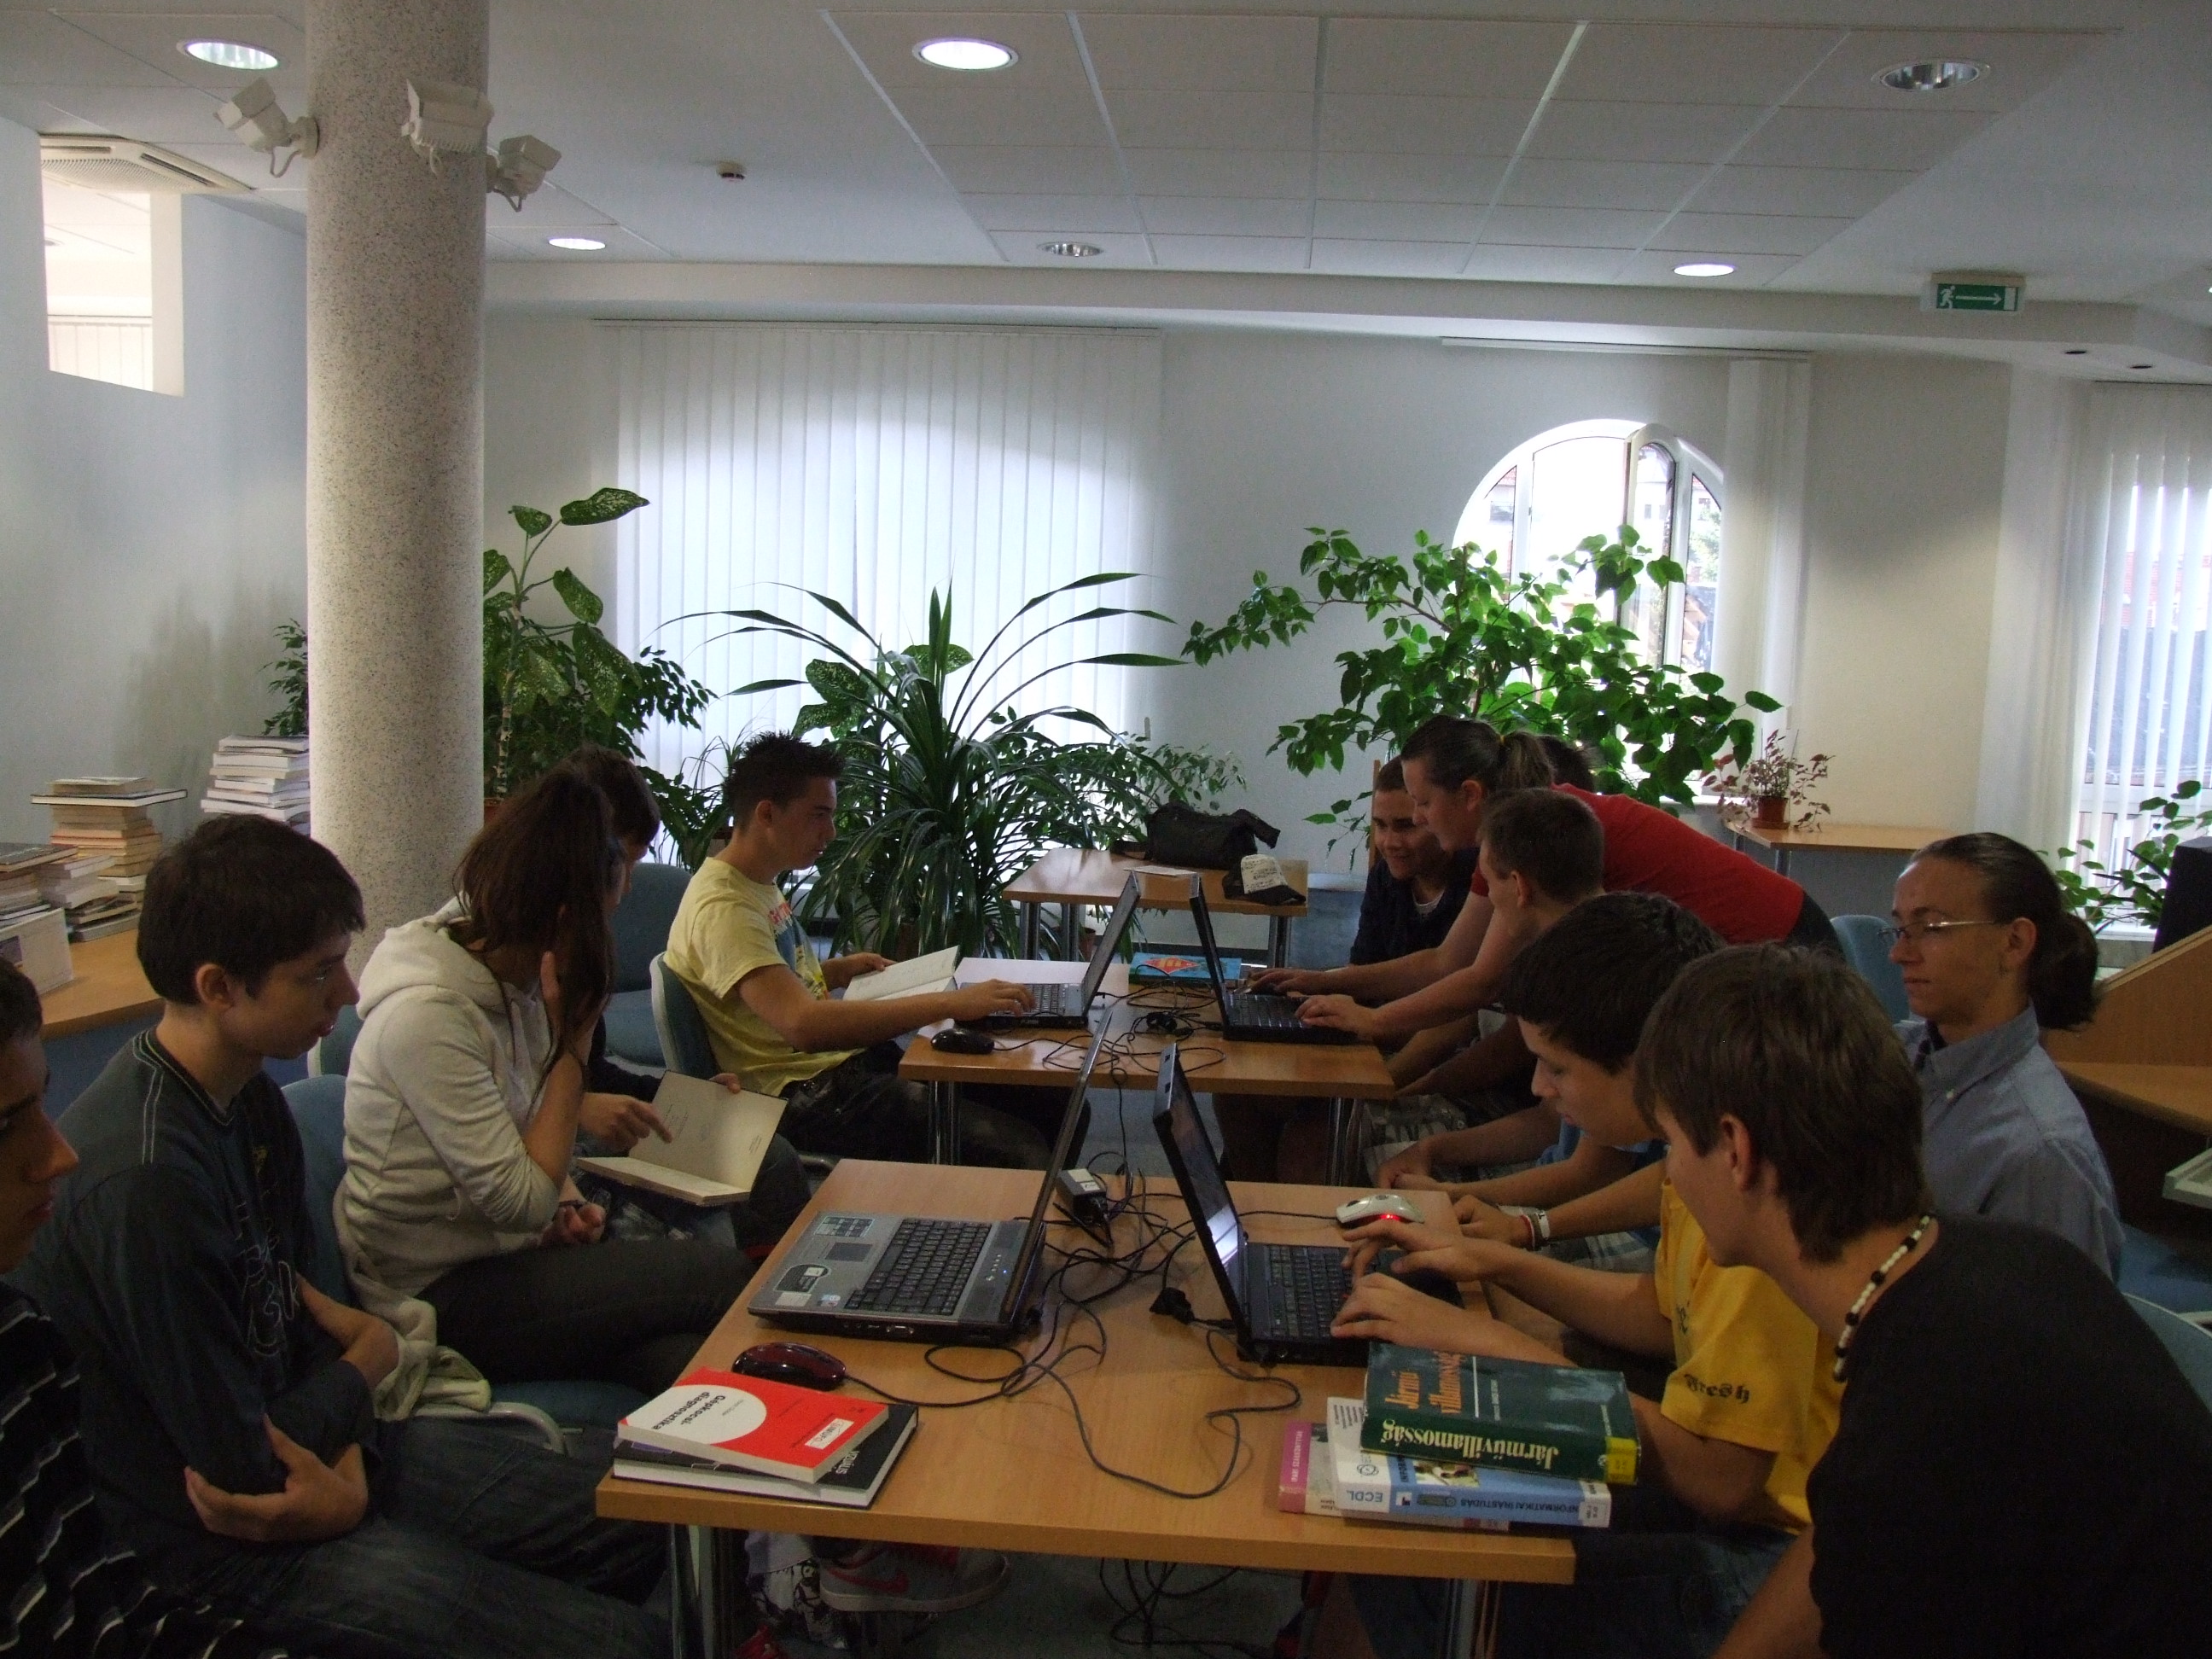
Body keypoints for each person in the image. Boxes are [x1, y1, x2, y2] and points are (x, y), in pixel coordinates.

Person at [9, 818, 678, 1659]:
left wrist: (354, 1436)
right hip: (227, 1546)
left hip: (337, 1449)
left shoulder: (249, 1103)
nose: (350, 992)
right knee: (625, 1644)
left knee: (652, 1515)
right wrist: (367, 1366)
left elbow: (311, 1335)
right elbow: (243, 1464)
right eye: (319, 973)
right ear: (219, 988)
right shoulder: (147, 1184)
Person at [1636, 947, 2212, 1659]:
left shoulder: (1924, 1419)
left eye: (1670, 1142)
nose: (1670, 1174)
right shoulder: (1992, 1260)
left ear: (1734, 1149)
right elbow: (1840, 1536)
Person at [1324, 895, 1840, 1659]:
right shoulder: (1702, 1151)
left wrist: (1488, 1343)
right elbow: (1663, 1318)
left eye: (1558, 1067)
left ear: (1648, 1060)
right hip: (1733, 1500)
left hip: (1769, 1552)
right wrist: (1500, 1261)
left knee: (1415, 1560)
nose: (1539, 1086)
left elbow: (1721, 1482)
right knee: (1407, 1512)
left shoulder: (1743, 1208)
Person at [336, 767, 757, 1394]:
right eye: (604, 914)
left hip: (502, 1251)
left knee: (686, 1362)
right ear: (563, 919)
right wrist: (572, 1049)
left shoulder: (514, 975)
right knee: (718, 1278)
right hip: (435, 1289)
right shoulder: (427, 1019)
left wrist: (565, 1202)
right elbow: (521, 1197)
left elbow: (524, 1137)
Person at [0, 958, 301, 1657]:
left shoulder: (21, 1340)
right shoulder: (148, 1179)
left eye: (42, 1105)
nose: (58, 1154)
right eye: (5, 1127)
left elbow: (118, 1610)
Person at [1272, 716, 1835, 1046]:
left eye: (1421, 803)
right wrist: (1325, 980)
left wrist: (1373, 1021)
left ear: (1469, 795)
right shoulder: (1508, 830)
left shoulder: (1531, 832)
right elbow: (1447, 961)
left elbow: (1482, 982)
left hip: (1782, 949)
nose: (1417, 818)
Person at [663, 732, 1055, 1167]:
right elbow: (803, 1024)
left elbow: (762, 983)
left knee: (1047, 1106)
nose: (830, 832)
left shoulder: (755, 881)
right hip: (803, 1095)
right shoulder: (725, 907)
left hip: (835, 1068)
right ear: (767, 813)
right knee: (1023, 1152)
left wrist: (834, 971)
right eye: (819, 816)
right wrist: (949, 1003)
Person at [554, 743, 811, 1249]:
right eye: (622, 864)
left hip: (575, 1117)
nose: (628, 887)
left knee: (771, 1157)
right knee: (704, 1237)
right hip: (549, 1142)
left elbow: (593, 1070)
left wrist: (678, 1096)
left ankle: (773, 1281)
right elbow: (506, 1098)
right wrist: (578, 1107)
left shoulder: (582, 947)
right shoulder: (528, 958)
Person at [1887, 832, 2122, 1275]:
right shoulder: (1897, 1056)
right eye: (1900, 928)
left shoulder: (2040, 1153)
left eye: (1931, 928)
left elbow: (2056, 1318)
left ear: (2014, 942)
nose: (1899, 953)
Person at [1349, 758, 1479, 966]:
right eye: (1381, 825)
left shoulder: (1482, 878)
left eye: (1406, 826)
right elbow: (1362, 965)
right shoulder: (1383, 877)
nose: (1389, 843)